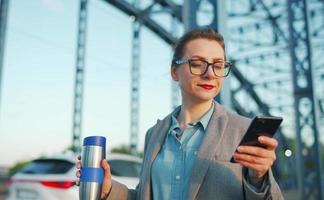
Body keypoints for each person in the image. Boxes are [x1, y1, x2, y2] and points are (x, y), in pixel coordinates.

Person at [76, 27, 283, 200]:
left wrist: (259, 178)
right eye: (197, 63)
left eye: (218, 66)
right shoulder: (154, 134)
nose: (210, 74)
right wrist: (109, 189)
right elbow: (144, 195)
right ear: (174, 71)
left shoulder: (242, 130)